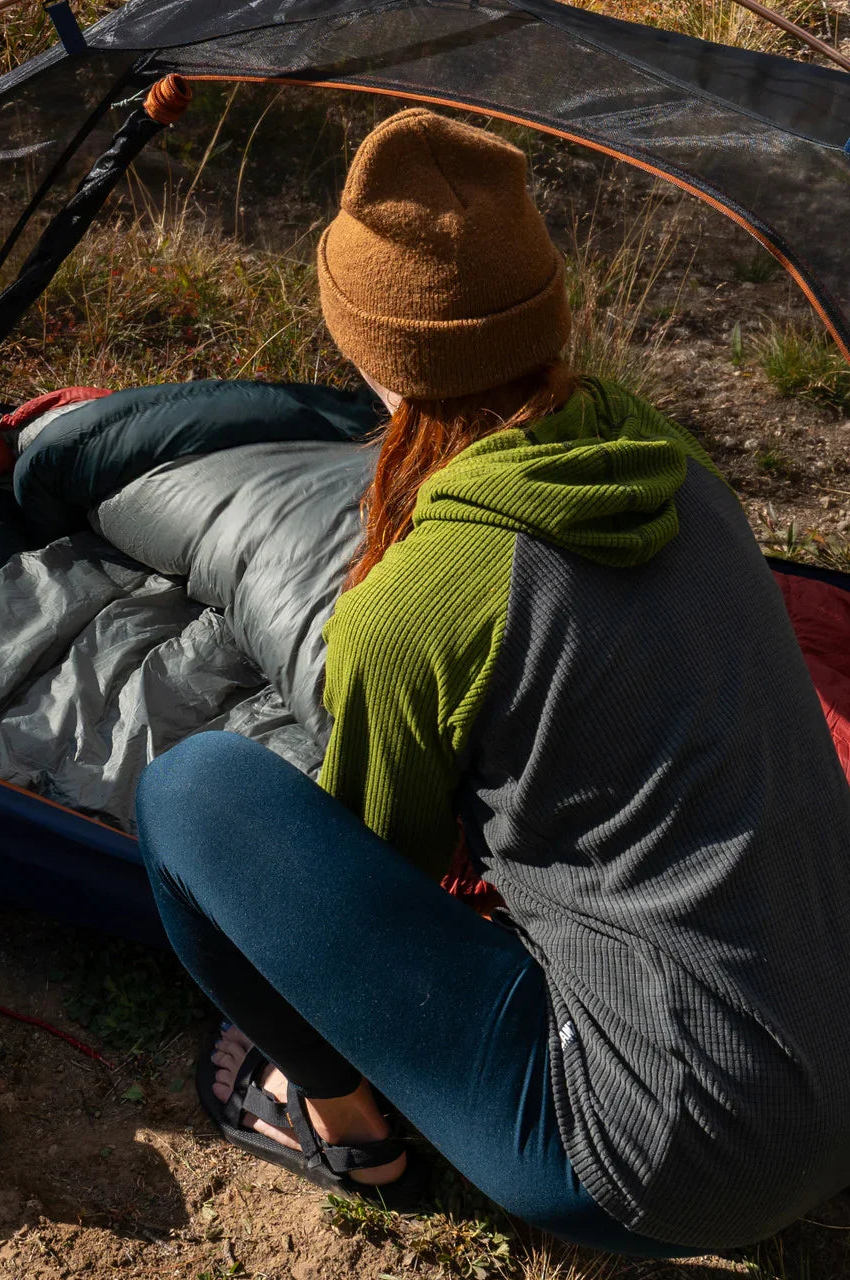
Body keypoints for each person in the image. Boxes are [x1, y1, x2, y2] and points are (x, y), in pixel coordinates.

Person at [133, 108, 850, 1256]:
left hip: (668, 1153)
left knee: (192, 796)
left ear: (367, 350)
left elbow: (386, 870)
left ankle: (343, 1125)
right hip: (829, 1059)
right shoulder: (671, 470)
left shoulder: (414, 607)